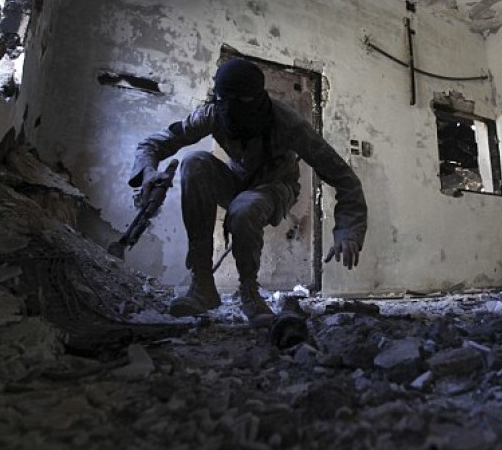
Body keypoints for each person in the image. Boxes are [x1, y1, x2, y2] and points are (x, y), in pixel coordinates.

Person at [128, 58, 367, 326]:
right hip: (237, 182)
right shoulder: (213, 114)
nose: (232, 108)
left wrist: (348, 230)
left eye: (242, 100)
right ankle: (202, 283)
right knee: (194, 163)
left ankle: (249, 291)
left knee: (245, 207)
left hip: (277, 187)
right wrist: (148, 170)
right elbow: (156, 142)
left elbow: (343, 177)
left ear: (258, 98)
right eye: (224, 99)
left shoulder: (288, 124)